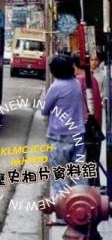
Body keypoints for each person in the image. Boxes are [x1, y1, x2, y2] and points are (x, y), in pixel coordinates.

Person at [42, 55, 87, 197]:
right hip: (78, 134)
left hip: (59, 136)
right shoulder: (76, 83)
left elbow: (45, 110)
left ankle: (63, 212)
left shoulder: (55, 87)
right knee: (79, 174)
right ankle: (83, 206)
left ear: (54, 71)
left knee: (60, 176)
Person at [72, 53, 103, 187]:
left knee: (82, 163)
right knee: (92, 163)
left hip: (84, 127)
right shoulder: (92, 79)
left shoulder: (79, 81)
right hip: (95, 126)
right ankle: (93, 188)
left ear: (74, 66)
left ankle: (86, 193)